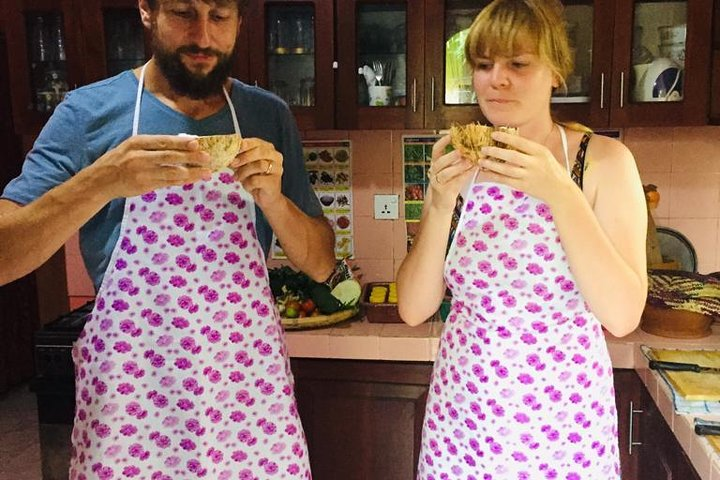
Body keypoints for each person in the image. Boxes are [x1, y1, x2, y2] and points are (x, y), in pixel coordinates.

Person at [0, 0, 335, 478]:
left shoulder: (267, 116)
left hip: (246, 407)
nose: (202, 36)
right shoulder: (86, 114)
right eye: (183, 13)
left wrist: (275, 201)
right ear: (147, 11)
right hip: (131, 408)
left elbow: (322, 264)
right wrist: (102, 180)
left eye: (219, 16)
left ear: (240, 22)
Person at [396, 0, 647, 478]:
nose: (498, 79)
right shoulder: (461, 164)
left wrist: (559, 192)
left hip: (563, 425)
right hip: (464, 421)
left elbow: (621, 315)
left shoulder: (603, 162)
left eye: (518, 63)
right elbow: (413, 308)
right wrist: (439, 201)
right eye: (484, 65)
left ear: (555, 71)